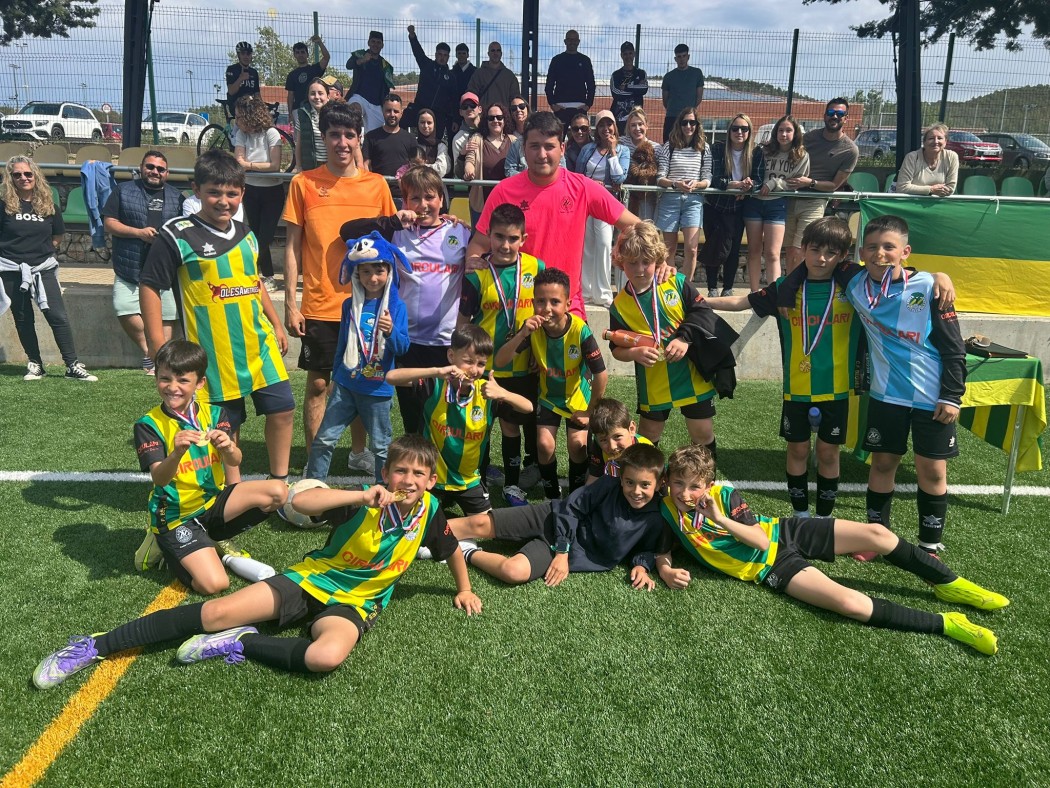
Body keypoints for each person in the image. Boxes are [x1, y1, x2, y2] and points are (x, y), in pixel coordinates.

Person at [32, 435, 482, 689]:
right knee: (214, 612)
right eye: (401, 470)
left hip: (357, 604)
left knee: (325, 656)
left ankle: (242, 643)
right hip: (311, 580)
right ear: (386, 473)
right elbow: (303, 503)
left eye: (418, 474)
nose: (408, 480)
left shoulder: (430, 512)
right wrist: (359, 495)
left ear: (431, 481)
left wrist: (463, 588)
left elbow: (449, 550)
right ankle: (95, 645)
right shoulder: (363, 499)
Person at [656, 445, 1004, 656]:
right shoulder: (666, 509)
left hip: (782, 531)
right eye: (678, 484)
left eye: (695, 486)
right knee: (850, 604)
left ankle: (948, 583)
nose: (685, 493)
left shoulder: (724, 496)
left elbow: (760, 539)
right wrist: (665, 568)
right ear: (667, 482)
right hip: (770, 567)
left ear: (709, 484)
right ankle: (948, 623)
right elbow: (660, 544)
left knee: (877, 534)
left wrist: (719, 518)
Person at [140, 150, 293, 485]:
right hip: (213, 353)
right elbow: (150, 285)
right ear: (197, 189)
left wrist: (276, 323)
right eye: (214, 192)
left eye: (232, 193)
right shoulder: (177, 234)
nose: (224, 201)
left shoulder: (247, 234)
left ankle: (279, 484)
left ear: (242, 193)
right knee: (225, 426)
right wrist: (157, 344)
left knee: (283, 409)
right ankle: (232, 492)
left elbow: (254, 282)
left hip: (259, 343)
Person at [705, 217, 858, 520]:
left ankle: (824, 519)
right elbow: (742, 301)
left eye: (831, 253)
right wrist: (698, 300)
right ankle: (801, 515)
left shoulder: (853, 288)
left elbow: (890, 277)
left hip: (837, 389)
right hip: (796, 389)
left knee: (828, 453)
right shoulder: (785, 288)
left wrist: (937, 278)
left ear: (842, 256)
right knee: (797, 451)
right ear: (803, 248)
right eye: (815, 250)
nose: (822, 259)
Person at [836, 215, 965, 553]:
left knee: (932, 472)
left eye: (889, 247)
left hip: (931, 398)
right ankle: (875, 541)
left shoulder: (929, 288)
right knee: (882, 464)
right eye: (872, 247)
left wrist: (952, 396)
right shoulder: (853, 281)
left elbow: (954, 349)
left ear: (905, 252)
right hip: (886, 396)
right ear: (861, 253)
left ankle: (929, 547)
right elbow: (818, 261)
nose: (880, 253)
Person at [131, 339, 288, 594]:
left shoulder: (215, 414)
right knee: (214, 584)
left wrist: (228, 448)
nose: (172, 387)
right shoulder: (148, 425)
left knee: (278, 492)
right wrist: (176, 453)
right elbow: (159, 479)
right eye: (165, 379)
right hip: (175, 515)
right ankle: (162, 541)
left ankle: (212, 538)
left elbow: (235, 460)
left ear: (200, 383)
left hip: (212, 502)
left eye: (183, 380)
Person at [282, 102, 395, 455]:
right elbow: (292, 247)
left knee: (362, 382)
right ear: (323, 137)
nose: (342, 143)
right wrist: (291, 304)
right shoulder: (303, 183)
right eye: (334, 135)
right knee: (318, 385)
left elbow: (390, 245)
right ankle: (314, 460)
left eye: (349, 135)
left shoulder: (377, 186)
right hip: (320, 304)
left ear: (359, 138)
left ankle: (359, 453)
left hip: (366, 304)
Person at [468, 111, 643, 320]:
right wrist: (472, 261)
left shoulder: (582, 187)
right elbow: (478, 244)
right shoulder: (504, 191)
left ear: (562, 149)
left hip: (567, 313)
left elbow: (636, 227)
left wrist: (659, 263)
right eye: (534, 146)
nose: (542, 154)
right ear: (523, 149)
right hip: (517, 312)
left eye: (549, 146)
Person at [340, 166, 470, 437]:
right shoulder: (396, 233)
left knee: (446, 413)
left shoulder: (460, 232)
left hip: (446, 340)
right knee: (412, 414)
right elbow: (347, 231)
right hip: (405, 339)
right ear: (405, 202)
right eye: (415, 198)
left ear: (442, 200)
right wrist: (391, 222)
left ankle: (445, 461)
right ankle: (414, 459)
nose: (423, 205)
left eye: (430, 197)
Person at [447, 443, 668, 589]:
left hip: (563, 551)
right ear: (621, 478)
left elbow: (647, 548)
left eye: (645, 485)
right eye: (629, 482)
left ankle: (466, 551)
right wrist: (562, 550)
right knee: (479, 522)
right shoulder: (609, 485)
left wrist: (641, 566)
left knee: (512, 571)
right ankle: (427, 532)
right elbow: (572, 507)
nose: (636, 491)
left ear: (659, 484)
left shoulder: (656, 517)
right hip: (552, 517)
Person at [388, 324, 533, 517]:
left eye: (481, 364)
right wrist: (436, 371)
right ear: (451, 356)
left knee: (484, 525)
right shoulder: (435, 385)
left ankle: (446, 522)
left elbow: (528, 407)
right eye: (468, 361)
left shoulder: (487, 392)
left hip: (468, 481)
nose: (474, 369)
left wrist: (503, 394)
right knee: (409, 519)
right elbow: (391, 377)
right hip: (431, 478)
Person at [459, 202, 545, 506]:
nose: (505, 245)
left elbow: (545, 314)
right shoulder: (477, 273)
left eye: (512, 238)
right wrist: (463, 360)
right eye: (498, 237)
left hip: (523, 367)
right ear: (489, 236)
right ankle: (478, 479)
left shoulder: (536, 268)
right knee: (480, 425)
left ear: (523, 238)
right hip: (483, 368)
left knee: (512, 426)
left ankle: (512, 484)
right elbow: (463, 322)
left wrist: (539, 351)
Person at [304, 232, 409, 483]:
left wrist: (390, 332)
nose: (373, 278)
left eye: (379, 271)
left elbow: (403, 347)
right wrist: (335, 377)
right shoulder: (348, 305)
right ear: (356, 274)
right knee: (324, 439)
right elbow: (342, 343)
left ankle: (383, 491)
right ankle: (313, 486)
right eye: (365, 272)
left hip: (377, 389)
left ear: (389, 272)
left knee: (381, 447)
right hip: (346, 385)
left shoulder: (397, 307)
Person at [494, 268, 608, 497]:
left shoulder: (580, 330)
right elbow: (500, 361)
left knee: (578, 446)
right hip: (549, 398)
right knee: (544, 446)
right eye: (541, 301)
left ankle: (576, 496)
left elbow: (601, 374)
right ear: (533, 303)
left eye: (555, 302)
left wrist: (590, 411)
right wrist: (521, 334)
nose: (547, 308)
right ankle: (552, 495)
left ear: (567, 304)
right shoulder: (532, 329)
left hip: (578, 398)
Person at [609, 222, 719, 453]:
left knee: (702, 432)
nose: (640, 269)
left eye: (646, 262)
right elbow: (616, 348)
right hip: (654, 379)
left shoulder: (675, 282)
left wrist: (684, 338)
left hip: (691, 374)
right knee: (649, 434)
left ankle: (705, 476)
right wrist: (635, 353)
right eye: (632, 262)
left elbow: (703, 312)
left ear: (658, 259)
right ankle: (650, 478)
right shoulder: (619, 306)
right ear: (621, 262)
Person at [0, 156, 97, 381]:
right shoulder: (3, 206)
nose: (23, 178)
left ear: (35, 176)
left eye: (28, 174)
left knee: (57, 316)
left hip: (42, 268)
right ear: (10, 178)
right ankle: (35, 363)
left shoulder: (49, 206)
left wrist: (40, 254)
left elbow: (57, 236)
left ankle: (72, 365)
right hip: (11, 269)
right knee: (23, 318)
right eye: (17, 174)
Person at [102, 150, 183, 374]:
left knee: (168, 315)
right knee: (123, 308)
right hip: (130, 265)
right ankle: (150, 352)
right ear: (141, 168)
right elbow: (109, 223)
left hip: (165, 268)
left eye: (160, 169)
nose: (155, 171)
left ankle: (162, 360)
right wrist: (138, 233)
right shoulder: (123, 191)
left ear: (167, 173)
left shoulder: (177, 197)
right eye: (150, 167)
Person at [784, 98, 858, 272]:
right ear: (824, 116)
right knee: (789, 250)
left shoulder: (850, 150)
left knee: (802, 249)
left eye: (839, 114)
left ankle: (799, 285)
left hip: (815, 201)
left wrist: (810, 183)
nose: (835, 117)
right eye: (831, 113)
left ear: (846, 118)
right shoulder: (808, 138)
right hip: (791, 196)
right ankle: (789, 283)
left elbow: (834, 185)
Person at [744, 114, 808, 292]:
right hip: (754, 203)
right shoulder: (763, 150)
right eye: (780, 130)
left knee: (772, 253)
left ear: (795, 133)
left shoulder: (801, 155)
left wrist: (774, 183)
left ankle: (774, 294)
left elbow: (796, 182)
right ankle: (754, 293)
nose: (784, 134)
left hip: (776, 204)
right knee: (754, 251)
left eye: (788, 130)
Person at [701, 113, 761, 298]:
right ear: (729, 131)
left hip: (738, 207)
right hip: (715, 205)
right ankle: (712, 287)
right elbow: (713, 178)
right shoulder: (718, 148)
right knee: (713, 246)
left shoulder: (756, 152)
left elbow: (759, 179)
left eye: (744, 128)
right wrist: (732, 185)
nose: (739, 132)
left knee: (733, 249)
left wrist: (749, 186)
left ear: (749, 131)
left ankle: (728, 287)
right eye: (735, 128)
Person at [575, 109, 630, 307]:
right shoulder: (587, 149)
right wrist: (591, 184)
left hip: (606, 203)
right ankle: (587, 293)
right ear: (596, 129)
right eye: (601, 125)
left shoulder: (623, 151)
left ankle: (604, 294)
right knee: (588, 247)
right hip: (586, 201)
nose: (606, 128)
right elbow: (578, 175)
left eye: (609, 124)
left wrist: (613, 151)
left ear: (615, 126)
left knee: (605, 245)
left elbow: (619, 178)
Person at [233, 94, 285, 292]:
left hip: (272, 191)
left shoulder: (271, 133)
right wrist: (252, 166)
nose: (236, 121)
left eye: (239, 117)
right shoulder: (241, 134)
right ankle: (268, 276)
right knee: (254, 235)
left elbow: (274, 165)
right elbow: (239, 162)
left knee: (266, 236)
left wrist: (249, 165)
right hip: (251, 189)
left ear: (250, 115)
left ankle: (248, 269)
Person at [655, 106, 711, 282]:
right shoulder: (669, 146)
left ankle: (686, 287)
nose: (688, 126)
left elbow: (707, 177)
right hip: (670, 199)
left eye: (692, 122)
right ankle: (671, 285)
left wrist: (697, 184)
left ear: (697, 125)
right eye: (684, 122)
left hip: (694, 200)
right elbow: (660, 177)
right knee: (669, 249)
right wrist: (675, 184)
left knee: (692, 249)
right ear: (679, 125)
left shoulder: (704, 148)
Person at [463, 102, 516, 225]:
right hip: (482, 203)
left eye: (499, 117)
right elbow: (470, 159)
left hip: (508, 203)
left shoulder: (514, 141)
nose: (495, 121)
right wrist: (468, 170)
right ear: (486, 121)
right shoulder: (477, 138)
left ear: (505, 119)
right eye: (491, 118)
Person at [583, 397, 653, 484]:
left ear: (631, 429)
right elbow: (594, 477)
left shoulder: (647, 452)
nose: (612, 446)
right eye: (604, 440)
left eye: (617, 437)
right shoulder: (598, 444)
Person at [406, 26, 456, 140]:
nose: (442, 57)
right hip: (420, 109)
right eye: (440, 54)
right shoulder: (426, 65)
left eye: (445, 55)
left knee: (435, 142)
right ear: (436, 54)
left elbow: (454, 99)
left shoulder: (451, 77)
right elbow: (418, 52)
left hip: (439, 115)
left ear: (448, 57)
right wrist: (412, 36)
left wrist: (455, 119)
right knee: (412, 134)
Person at [363, 93, 417, 197]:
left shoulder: (410, 138)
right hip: (378, 193)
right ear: (382, 111)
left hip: (403, 195)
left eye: (396, 111)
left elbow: (416, 166)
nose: (392, 114)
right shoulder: (371, 137)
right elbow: (365, 165)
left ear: (401, 113)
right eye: (388, 111)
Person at [544, 30, 595, 129]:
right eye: (569, 39)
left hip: (580, 107)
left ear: (578, 42)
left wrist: (588, 104)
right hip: (560, 107)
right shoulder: (557, 60)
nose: (572, 42)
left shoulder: (585, 60)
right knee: (558, 136)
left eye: (574, 40)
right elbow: (549, 84)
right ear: (565, 41)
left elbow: (591, 84)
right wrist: (553, 104)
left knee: (581, 136)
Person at [346, 30, 395, 132]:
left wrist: (385, 106)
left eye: (378, 42)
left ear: (382, 45)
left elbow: (387, 89)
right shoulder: (360, 54)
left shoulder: (386, 65)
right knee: (354, 112)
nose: (375, 44)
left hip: (376, 104)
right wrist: (362, 60)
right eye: (373, 41)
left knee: (375, 136)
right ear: (368, 43)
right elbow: (348, 65)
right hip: (359, 97)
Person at [896, 122, 959, 196]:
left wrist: (920, 189)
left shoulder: (951, 157)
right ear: (924, 142)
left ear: (945, 142)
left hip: (939, 202)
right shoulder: (912, 157)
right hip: (913, 201)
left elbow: (950, 189)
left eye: (940, 138)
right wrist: (931, 190)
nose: (936, 142)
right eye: (931, 138)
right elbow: (901, 188)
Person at [661, 43, 704, 142]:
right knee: (669, 144)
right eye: (679, 57)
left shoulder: (697, 73)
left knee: (690, 144)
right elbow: (665, 100)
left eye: (684, 56)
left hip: (689, 118)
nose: (682, 59)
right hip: (672, 117)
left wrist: (689, 111)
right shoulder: (668, 76)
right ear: (675, 59)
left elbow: (699, 97)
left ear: (688, 57)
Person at [624, 108, 659, 222]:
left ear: (647, 126)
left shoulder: (656, 148)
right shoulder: (622, 143)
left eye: (640, 124)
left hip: (647, 197)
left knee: (646, 227)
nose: (637, 128)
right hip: (626, 195)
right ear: (629, 128)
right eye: (633, 125)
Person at [467, 41, 520, 111]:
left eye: (498, 50)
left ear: (501, 54)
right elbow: (472, 95)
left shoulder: (509, 76)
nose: (495, 53)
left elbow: (515, 98)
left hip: (504, 115)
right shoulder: (478, 74)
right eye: (493, 50)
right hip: (483, 115)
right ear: (488, 53)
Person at [610, 41, 648, 136]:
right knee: (619, 143)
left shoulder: (641, 73)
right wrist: (636, 90)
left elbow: (644, 89)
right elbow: (616, 93)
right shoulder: (616, 75)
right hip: (619, 119)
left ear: (634, 54)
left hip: (636, 119)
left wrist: (626, 87)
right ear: (621, 55)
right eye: (625, 54)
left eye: (630, 53)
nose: (628, 56)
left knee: (636, 143)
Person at [285, 35, 330, 113]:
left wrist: (320, 43)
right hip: (298, 110)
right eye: (297, 52)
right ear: (294, 55)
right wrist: (290, 114)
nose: (300, 55)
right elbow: (290, 96)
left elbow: (326, 57)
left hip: (315, 108)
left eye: (303, 52)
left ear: (307, 54)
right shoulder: (292, 75)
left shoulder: (315, 69)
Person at [293, 78, 330, 173]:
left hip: (331, 165)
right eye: (313, 93)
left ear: (328, 96)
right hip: (311, 166)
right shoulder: (303, 115)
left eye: (320, 93)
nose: (317, 97)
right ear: (308, 96)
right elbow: (299, 144)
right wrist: (298, 166)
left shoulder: (335, 115)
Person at [449, 43, 476, 140]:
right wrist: (455, 118)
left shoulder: (475, 72)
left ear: (468, 55)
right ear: (456, 55)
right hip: (454, 114)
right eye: (459, 53)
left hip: (471, 112)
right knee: (454, 141)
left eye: (463, 53)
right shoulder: (451, 73)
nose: (461, 56)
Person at [413, 108, 451, 177]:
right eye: (422, 122)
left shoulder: (440, 146)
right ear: (417, 124)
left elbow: (442, 169)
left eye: (429, 123)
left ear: (434, 124)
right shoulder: (413, 144)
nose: (425, 126)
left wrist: (421, 166)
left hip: (435, 183)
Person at [451, 92, 482, 172]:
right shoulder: (458, 139)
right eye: (465, 107)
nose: (469, 109)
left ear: (480, 109)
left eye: (472, 105)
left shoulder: (490, 128)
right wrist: (462, 154)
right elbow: (457, 172)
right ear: (460, 112)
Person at [503, 95, 530, 176]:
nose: (518, 110)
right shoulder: (507, 134)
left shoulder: (536, 131)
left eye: (522, 106)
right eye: (514, 108)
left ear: (527, 109)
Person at [226, 41, 260, 105]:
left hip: (251, 104)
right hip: (236, 104)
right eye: (243, 53)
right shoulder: (232, 69)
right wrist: (241, 78)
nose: (246, 56)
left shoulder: (254, 72)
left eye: (248, 54)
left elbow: (257, 93)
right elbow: (231, 91)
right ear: (239, 55)